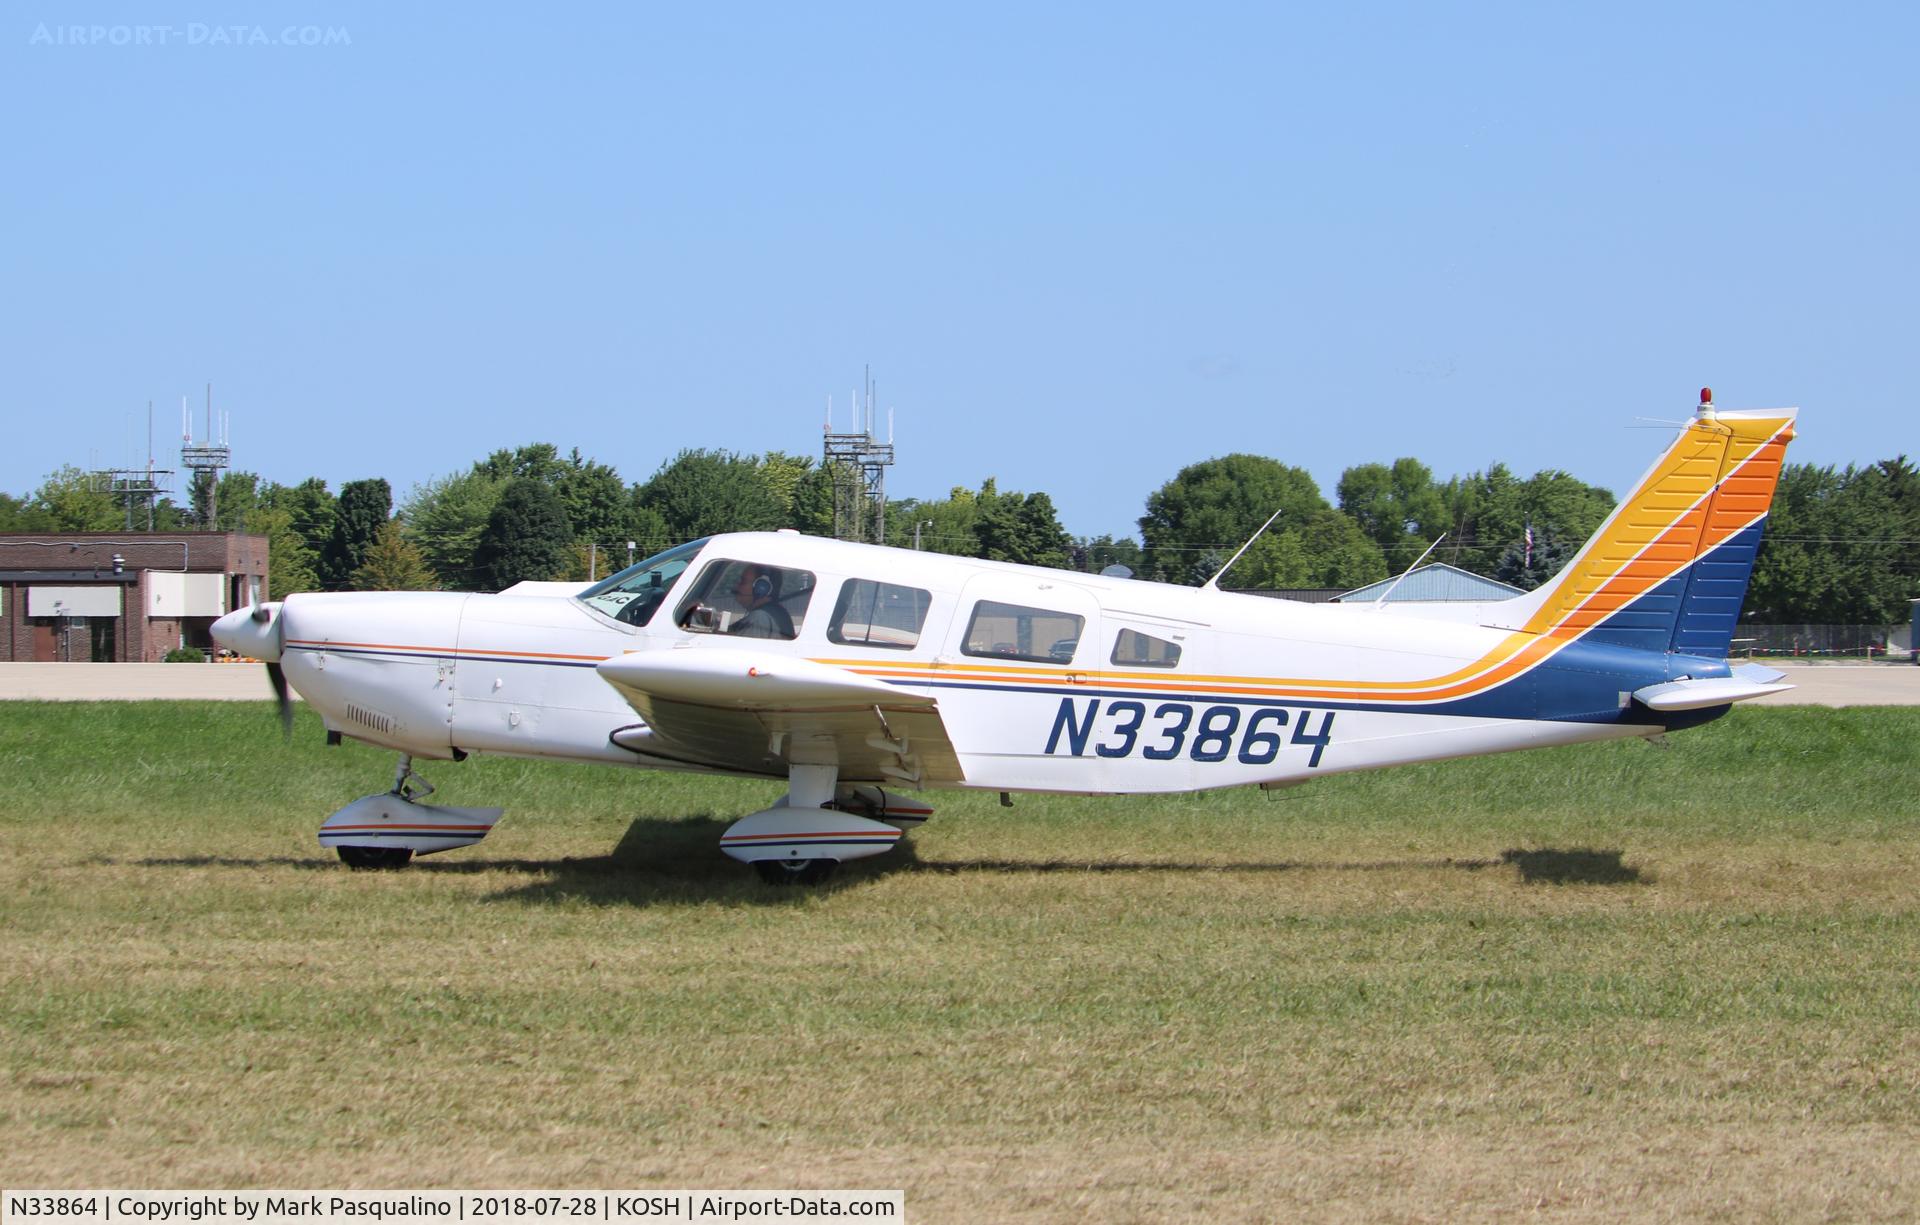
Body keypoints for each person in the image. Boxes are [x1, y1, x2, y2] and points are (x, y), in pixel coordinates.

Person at [728, 564, 794, 638]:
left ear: (761, 588)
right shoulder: (777, 612)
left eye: (743, 581)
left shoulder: (759, 617)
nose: (737, 587)